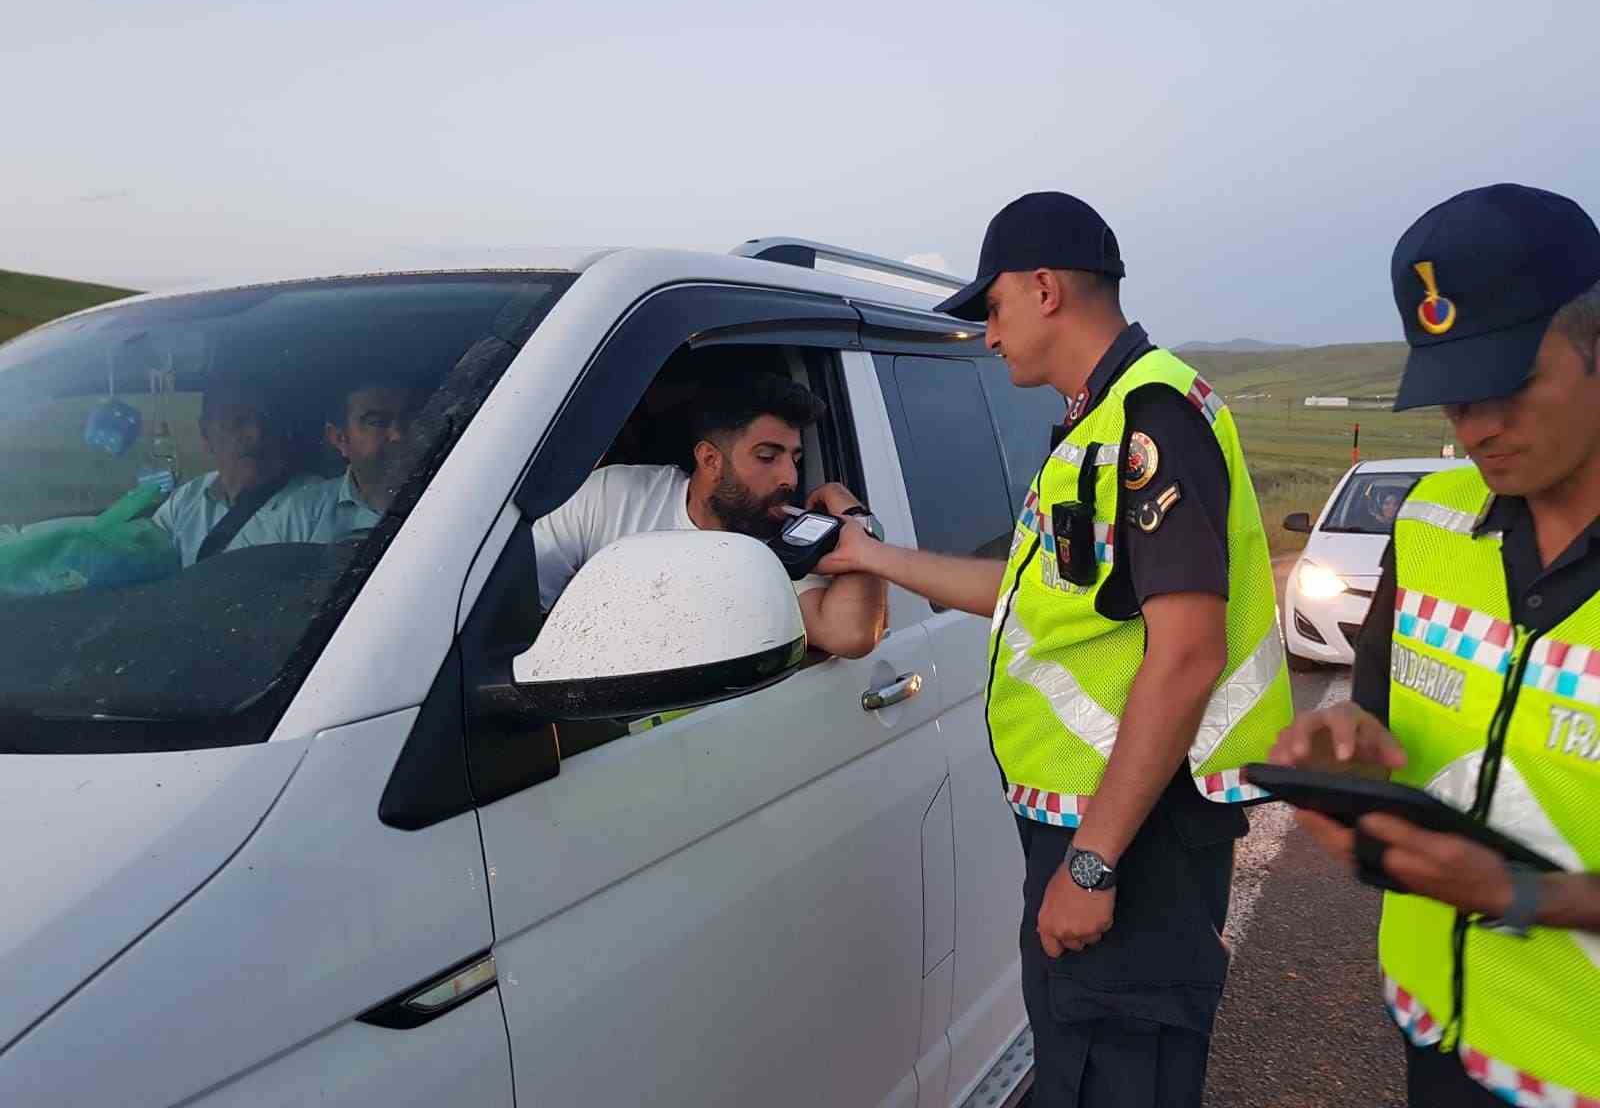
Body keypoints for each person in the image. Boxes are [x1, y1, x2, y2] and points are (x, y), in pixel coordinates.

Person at [819, 192, 1292, 1106]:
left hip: (1139, 834)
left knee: (1120, 1077)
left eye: (991, 309)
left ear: (1043, 289)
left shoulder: (1151, 417)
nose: (988, 338)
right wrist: (869, 554)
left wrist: (1092, 861)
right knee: (1078, 1059)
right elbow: (1028, 600)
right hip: (1103, 822)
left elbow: (1187, 652)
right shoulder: (1094, 422)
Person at [1269, 183, 1600, 1107]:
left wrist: (1527, 896)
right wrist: (1342, 746)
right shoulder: (1432, 523)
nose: (1477, 427)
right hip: (1431, 1034)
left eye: (1508, 387)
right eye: (1452, 397)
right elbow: (1373, 710)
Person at [533, 374, 887, 660]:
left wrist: (856, 520)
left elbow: (851, 635)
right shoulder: (612, 495)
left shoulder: (784, 544)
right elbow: (517, 604)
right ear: (710, 460)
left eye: (794, 458)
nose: (790, 478)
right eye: (767, 456)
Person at [235, 376, 418, 547]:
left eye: (409, 418)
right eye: (377, 422)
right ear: (339, 438)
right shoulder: (301, 515)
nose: (398, 435)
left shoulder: (444, 498)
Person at [151, 384, 319, 566]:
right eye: (236, 422)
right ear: (205, 434)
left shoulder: (316, 504)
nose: (256, 434)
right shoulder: (183, 503)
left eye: (266, 420)